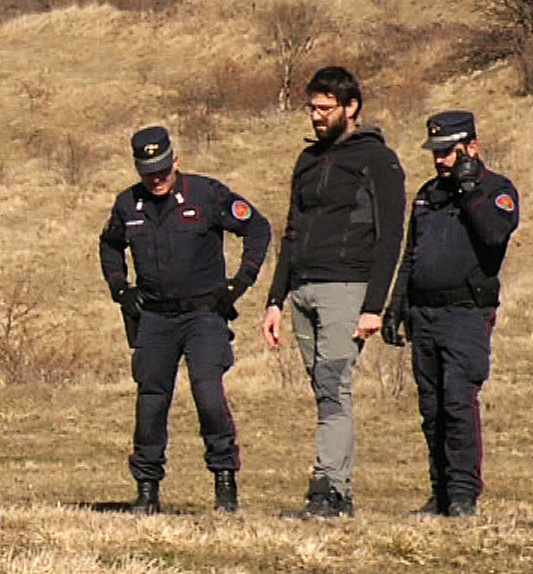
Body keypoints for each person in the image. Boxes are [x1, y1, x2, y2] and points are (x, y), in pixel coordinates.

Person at [99, 125, 270, 514]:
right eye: (148, 171)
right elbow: (109, 245)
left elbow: (257, 227)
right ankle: (147, 491)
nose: (157, 179)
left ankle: (224, 484)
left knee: (208, 394)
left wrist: (239, 284)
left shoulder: (207, 195)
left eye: (163, 169)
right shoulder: (128, 205)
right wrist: (120, 289)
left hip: (204, 314)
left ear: (176, 160)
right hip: (155, 318)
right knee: (150, 402)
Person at [261, 66, 406, 518]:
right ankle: (336, 494)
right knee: (324, 390)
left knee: (333, 387)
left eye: (325, 109)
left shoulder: (376, 160)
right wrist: (274, 299)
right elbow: (290, 232)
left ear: (351, 108)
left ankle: (328, 491)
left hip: (347, 287)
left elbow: (390, 236)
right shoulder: (306, 161)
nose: (316, 116)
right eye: (312, 108)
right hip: (303, 289)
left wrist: (373, 307)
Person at [381, 111, 518, 517]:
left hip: (465, 314)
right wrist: (395, 305)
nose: (441, 161)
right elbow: (412, 255)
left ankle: (462, 495)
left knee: (458, 402)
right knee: (432, 408)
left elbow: (494, 236)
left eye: (449, 153)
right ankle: (440, 492)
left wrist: (470, 187)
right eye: (437, 153)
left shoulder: (496, 190)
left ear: (471, 148)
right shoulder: (427, 195)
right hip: (424, 313)